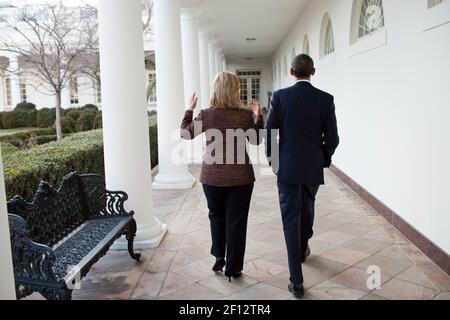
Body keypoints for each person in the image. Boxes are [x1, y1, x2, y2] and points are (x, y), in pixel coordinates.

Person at [266, 54, 340, 298]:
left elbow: (271, 134)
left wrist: (273, 161)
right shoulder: (325, 99)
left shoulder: (279, 97)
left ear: (291, 71)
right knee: (307, 208)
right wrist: (324, 160)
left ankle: (296, 279)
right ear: (313, 72)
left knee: (291, 220)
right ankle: (303, 246)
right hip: (311, 168)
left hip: (286, 167)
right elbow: (333, 138)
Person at [180, 71, 264, 281]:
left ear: (215, 89)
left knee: (216, 216)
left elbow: (185, 133)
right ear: (236, 90)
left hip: (212, 177)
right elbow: (256, 140)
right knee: (237, 222)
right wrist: (258, 116)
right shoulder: (243, 115)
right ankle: (233, 268)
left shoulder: (207, 114)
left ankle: (219, 257)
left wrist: (189, 109)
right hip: (241, 178)